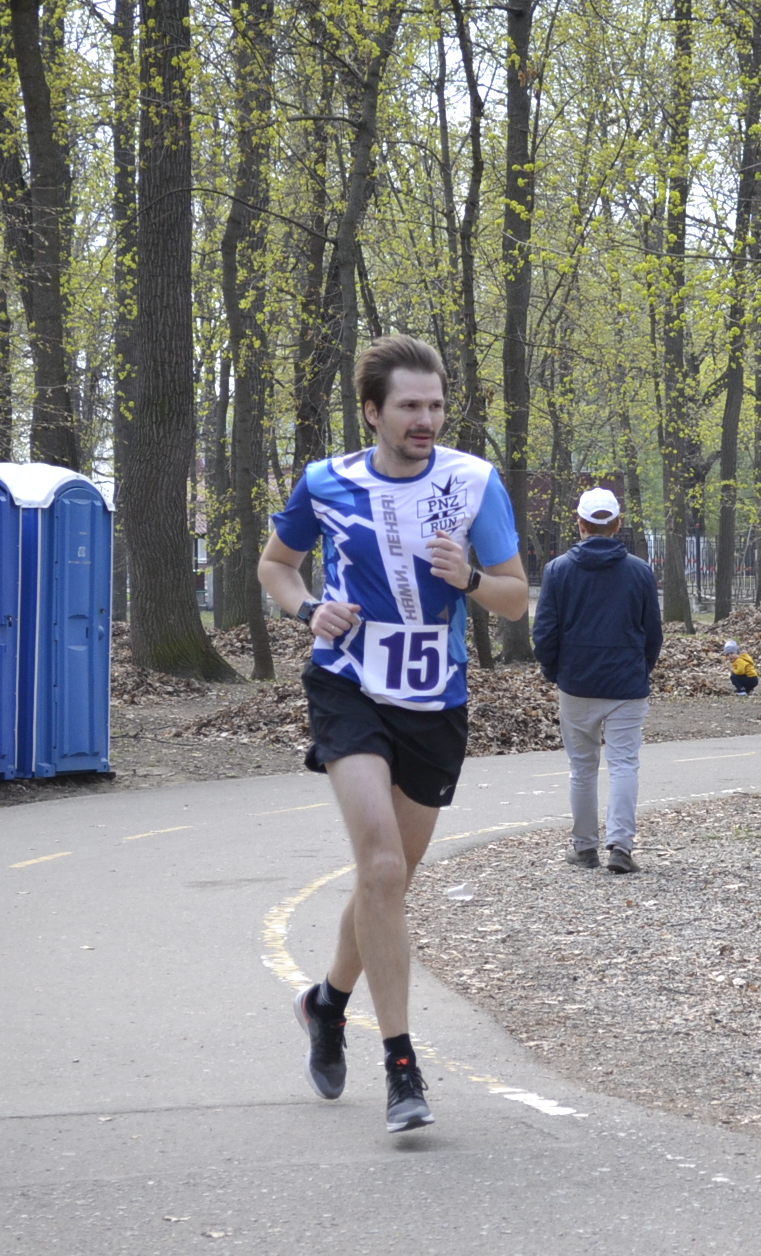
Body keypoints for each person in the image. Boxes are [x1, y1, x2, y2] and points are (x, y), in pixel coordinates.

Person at [256, 334, 529, 1133]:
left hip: (434, 701)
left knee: (390, 883)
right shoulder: (326, 482)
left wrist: (471, 580)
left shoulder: (474, 482)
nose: (426, 419)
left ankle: (326, 1002)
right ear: (372, 411)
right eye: (409, 405)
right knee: (377, 863)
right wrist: (310, 609)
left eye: (436, 404)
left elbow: (516, 599)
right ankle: (403, 1067)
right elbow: (276, 566)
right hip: (348, 686)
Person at [533, 487, 663, 874]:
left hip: (577, 683)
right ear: (617, 524)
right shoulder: (639, 571)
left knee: (582, 767)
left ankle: (585, 846)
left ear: (580, 522)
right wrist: (641, 669)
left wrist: (556, 672)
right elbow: (652, 633)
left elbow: (544, 633)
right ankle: (620, 846)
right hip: (626, 683)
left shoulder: (558, 570)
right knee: (624, 764)